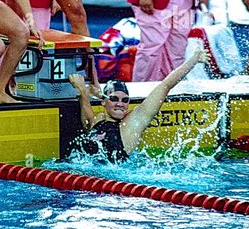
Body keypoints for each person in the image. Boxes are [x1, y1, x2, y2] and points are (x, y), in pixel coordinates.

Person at [69, 47, 206, 162]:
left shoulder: (132, 124)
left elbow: (166, 85)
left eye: (125, 100)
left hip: (113, 182)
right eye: (114, 98)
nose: (120, 104)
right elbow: (88, 121)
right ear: (104, 101)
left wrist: (193, 59)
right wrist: (82, 91)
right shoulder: (98, 121)